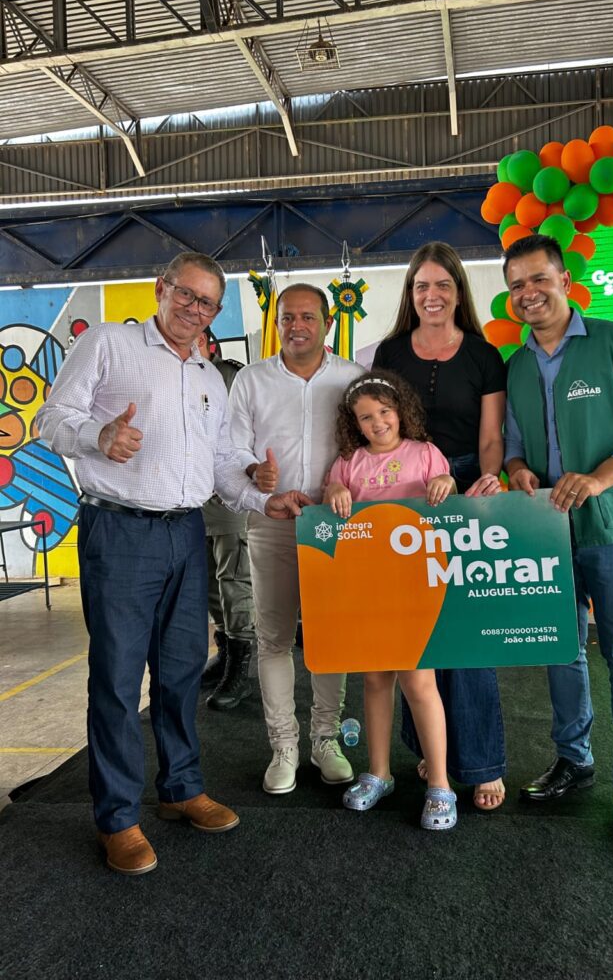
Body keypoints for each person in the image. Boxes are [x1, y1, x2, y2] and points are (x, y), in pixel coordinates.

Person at [36, 253, 266, 876]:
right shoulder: (110, 344)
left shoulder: (210, 376)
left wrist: (261, 494)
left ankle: (180, 789)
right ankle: (117, 818)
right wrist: (98, 436)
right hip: (119, 529)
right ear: (161, 288)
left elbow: (222, 465)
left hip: (187, 531)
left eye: (208, 302)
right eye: (186, 295)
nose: (195, 310)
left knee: (182, 671)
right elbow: (50, 418)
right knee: (116, 679)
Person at [502, 233, 613, 846]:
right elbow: (515, 444)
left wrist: (600, 479)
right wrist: (517, 471)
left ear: (565, 281)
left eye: (538, 279)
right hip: (547, 529)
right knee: (561, 646)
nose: (528, 293)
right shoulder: (517, 366)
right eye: (516, 285)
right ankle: (574, 760)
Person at [372, 241, 508, 810]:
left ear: (458, 292)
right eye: (422, 285)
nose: (432, 295)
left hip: (466, 490)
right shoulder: (389, 352)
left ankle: (481, 763)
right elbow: (380, 430)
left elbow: (491, 436)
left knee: (468, 632)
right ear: (411, 293)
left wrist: (488, 482)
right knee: (418, 631)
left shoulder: (483, 355)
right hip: (407, 497)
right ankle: (434, 749)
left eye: (443, 285)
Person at [228, 283, 365, 796]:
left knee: (331, 637)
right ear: (277, 323)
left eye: (308, 316)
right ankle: (283, 746)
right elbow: (231, 448)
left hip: (336, 525)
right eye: (287, 317)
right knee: (274, 638)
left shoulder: (352, 377)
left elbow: (372, 445)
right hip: (273, 519)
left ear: (327, 323)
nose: (297, 326)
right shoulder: (251, 379)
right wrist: (253, 471)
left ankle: (325, 740)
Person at [326, 371, 458, 830]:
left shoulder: (425, 453)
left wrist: (446, 482)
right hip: (368, 588)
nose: (378, 422)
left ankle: (439, 783)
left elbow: (448, 499)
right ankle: (379, 773)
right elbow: (332, 505)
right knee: (375, 679)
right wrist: (334, 490)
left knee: (419, 682)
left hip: (417, 587)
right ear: (354, 423)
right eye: (366, 417)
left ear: (401, 411)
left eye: (385, 411)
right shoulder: (348, 462)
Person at [195, 329, 257, 711]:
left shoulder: (231, 378)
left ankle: (240, 668)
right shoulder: (174, 376)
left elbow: (246, 438)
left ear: (209, 344)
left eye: (197, 339)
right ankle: (224, 652)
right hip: (193, 499)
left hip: (228, 499)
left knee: (234, 583)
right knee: (208, 585)